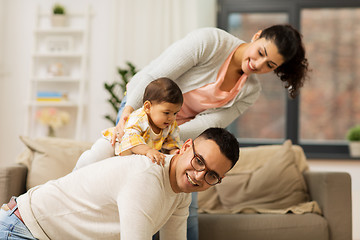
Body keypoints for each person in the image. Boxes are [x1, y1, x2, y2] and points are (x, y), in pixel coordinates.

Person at [114, 25, 309, 240]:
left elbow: (210, 123)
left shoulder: (250, 91)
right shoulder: (211, 42)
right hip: (142, 110)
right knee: (142, 192)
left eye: (269, 65)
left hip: (177, 136)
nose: (258, 64)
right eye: (261, 52)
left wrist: (167, 137)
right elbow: (155, 76)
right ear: (256, 36)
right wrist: (129, 114)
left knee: (187, 208)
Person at [0, 127, 240, 240]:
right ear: (186, 147)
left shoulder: (181, 193)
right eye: (199, 161)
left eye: (211, 175)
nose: (199, 176)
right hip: (24, 229)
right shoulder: (147, 177)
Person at [74, 77, 183, 171]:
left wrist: (175, 152)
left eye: (175, 113)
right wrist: (148, 151)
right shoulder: (139, 118)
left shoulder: (170, 125)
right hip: (114, 143)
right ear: (148, 107)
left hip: (125, 156)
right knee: (93, 159)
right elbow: (131, 138)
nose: (171, 118)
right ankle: (75, 173)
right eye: (166, 113)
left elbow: (172, 142)